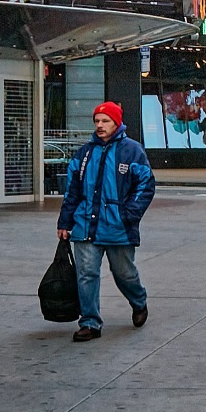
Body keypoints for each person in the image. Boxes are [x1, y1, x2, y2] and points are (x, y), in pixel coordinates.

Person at [56, 102, 155, 342]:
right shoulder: (84, 153)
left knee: (124, 273)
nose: (100, 125)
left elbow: (146, 185)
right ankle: (90, 322)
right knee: (86, 273)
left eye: (105, 121)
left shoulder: (132, 151)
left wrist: (128, 215)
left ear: (116, 122)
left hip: (117, 226)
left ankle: (138, 301)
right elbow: (72, 191)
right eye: (97, 121)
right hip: (85, 225)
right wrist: (65, 222)